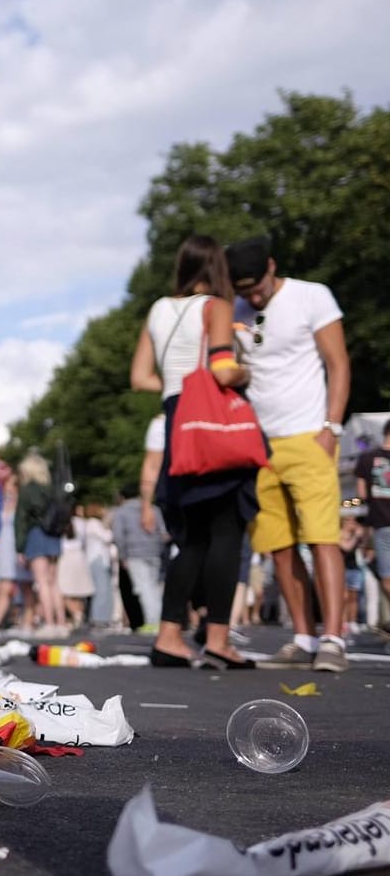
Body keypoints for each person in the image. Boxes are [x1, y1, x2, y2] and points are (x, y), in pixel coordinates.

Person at [130, 234, 257, 669]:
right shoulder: (216, 307)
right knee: (226, 532)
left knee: (194, 538)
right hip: (213, 428)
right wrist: (246, 371)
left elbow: (140, 376)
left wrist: (179, 387)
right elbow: (222, 370)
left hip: (177, 425)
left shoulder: (158, 309)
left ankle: (169, 635)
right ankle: (218, 638)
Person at [227, 236, 352, 671]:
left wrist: (331, 428)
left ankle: (333, 639)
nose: (252, 296)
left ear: (272, 267)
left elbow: (338, 362)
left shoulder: (311, 296)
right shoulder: (237, 312)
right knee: (278, 546)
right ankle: (302, 636)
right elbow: (245, 375)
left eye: (257, 287)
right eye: (243, 291)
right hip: (260, 444)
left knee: (322, 538)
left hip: (309, 435)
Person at [13, 451, 65, 636]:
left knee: (41, 582)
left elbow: (21, 520)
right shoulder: (52, 489)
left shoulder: (27, 490)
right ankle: (61, 623)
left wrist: (19, 547)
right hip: (54, 535)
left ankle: (49, 623)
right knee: (54, 583)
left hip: (36, 534)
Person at [110, 483, 164, 631]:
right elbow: (162, 532)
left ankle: (153, 623)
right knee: (154, 588)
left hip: (135, 554)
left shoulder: (121, 512)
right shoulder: (154, 509)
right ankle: (158, 621)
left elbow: (119, 536)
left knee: (143, 588)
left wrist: (122, 556)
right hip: (154, 553)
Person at [354, 418, 390, 622]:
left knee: (386, 579)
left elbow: (361, 498)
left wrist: (343, 504)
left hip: (382, 525)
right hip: (381, 527)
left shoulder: (367, 459)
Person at [0, 474, 30, 634]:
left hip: (16, 546)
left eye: (11, 485)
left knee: (26, 586)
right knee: (4, 586)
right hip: (4, 546)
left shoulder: (23, 505)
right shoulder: (3, 504)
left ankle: (27, 622)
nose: (7, 488)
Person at [58, 508, 95, 629]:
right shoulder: (82, 523)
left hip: (64, 557)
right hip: (79, 557)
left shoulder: (60, 521)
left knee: (63, 591)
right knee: (78, 592)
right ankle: (78, 614)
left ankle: (76, 614)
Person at [83, 502, 116, 629]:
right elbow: (108, 537)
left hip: (99, 559)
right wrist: (108, 524)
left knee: (105, 590)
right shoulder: (93, 523)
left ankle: (104, 617)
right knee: (102, 590)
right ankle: (99, 617)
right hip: (97, 559)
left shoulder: (92, 524)